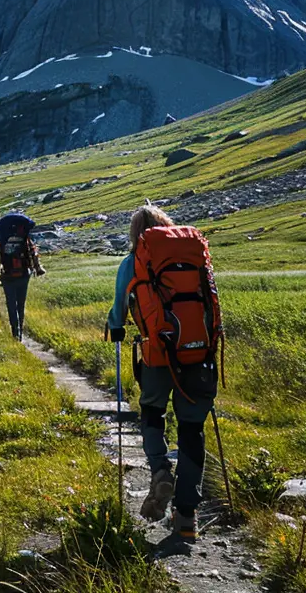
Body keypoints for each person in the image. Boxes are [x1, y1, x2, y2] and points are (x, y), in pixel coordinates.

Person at [107, 205, 221, 540]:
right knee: (192, 429)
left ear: (135, 233)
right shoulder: (194, 258)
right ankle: (186, 517)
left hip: (158, 354)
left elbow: (119, 310)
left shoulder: (133, 262)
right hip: (198, 354)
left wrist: (117, 327)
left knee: (152, 413)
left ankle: (159, 469)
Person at [0, 212, 45, 340]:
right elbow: (34, 254)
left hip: (8, 276)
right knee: (21, 303)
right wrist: (37, 268)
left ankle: (15, 331)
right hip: (24, 274)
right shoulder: (25, 240)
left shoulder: (3, 242)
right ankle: (20, 327)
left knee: (11, 304)